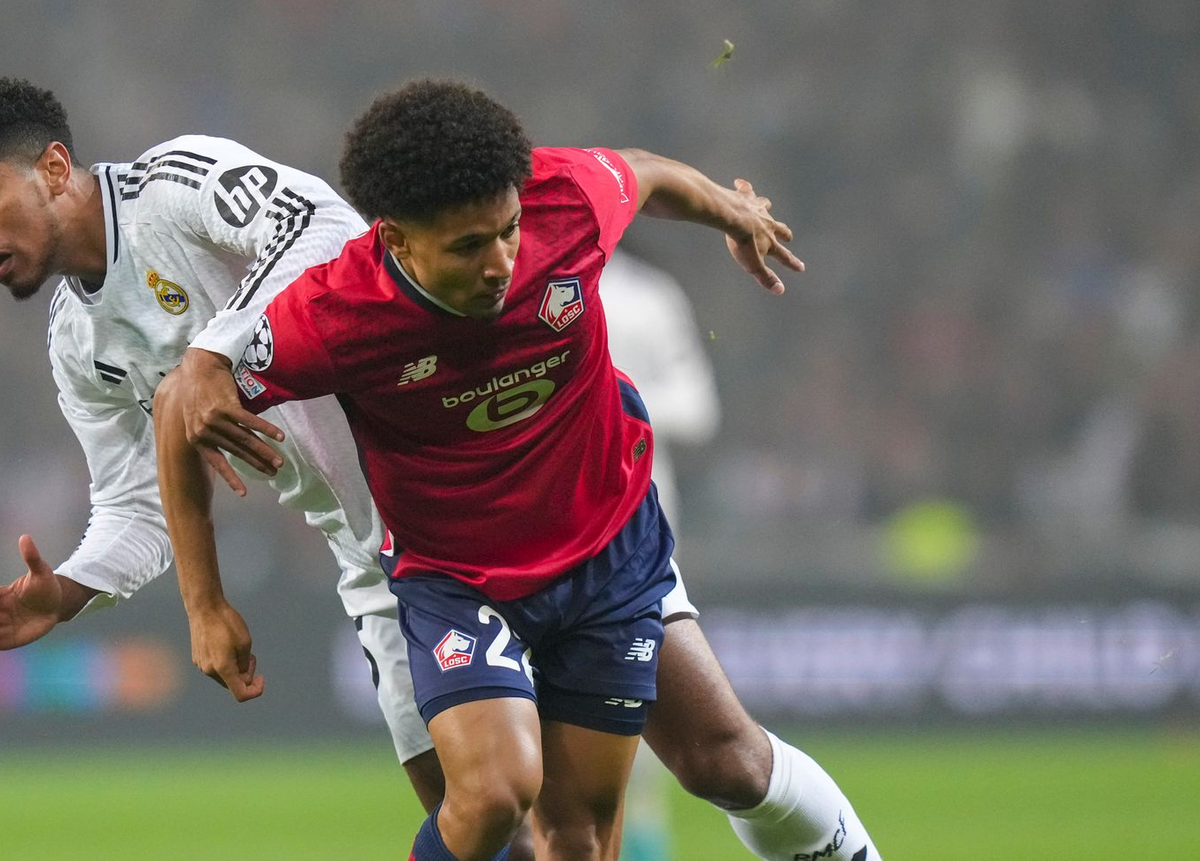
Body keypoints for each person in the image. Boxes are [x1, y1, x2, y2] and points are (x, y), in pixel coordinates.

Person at [154, 79, 881, 861]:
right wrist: (205, 604)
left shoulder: (564, 202)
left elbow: (644, 171)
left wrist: (730, 211)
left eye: (508, 230)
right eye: (469, 246)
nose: (501, 261)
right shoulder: (335, 315)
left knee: (584, 834)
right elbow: (176, 407)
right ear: (396, 240)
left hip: (606, 553)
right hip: (459, 579)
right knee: (496, 792)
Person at [0, 77, 444, 808]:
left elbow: (326, 228)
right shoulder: (77, 342)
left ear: (52, 168)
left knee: (609, 785)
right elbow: (136, 507)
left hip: (464, 487)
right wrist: (68, 592)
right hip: (374, 562)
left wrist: (211, 355)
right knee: (474, 826)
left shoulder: (173, 187)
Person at [601, 248, 720, 861]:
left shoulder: (647, 296)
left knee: (635, 679)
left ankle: (645, 842)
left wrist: (606, 397)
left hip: (638, 518)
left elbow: (698, 408)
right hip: (537, 519)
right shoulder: (505, 282)